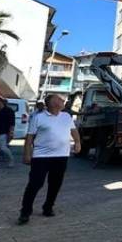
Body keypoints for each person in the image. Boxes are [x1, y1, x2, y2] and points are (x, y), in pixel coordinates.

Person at [19, 93, 80, 225]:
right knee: (35, 184)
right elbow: (29, 137)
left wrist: (77, 142)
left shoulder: (66, 116)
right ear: (51, 103)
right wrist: (27, 154)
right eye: (59, 99)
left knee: (55, 184)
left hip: (61, 156)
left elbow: (73, 131)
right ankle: (25, 212)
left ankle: (48, 207)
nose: (62, 101)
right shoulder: (38, 118)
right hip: (41, 156)